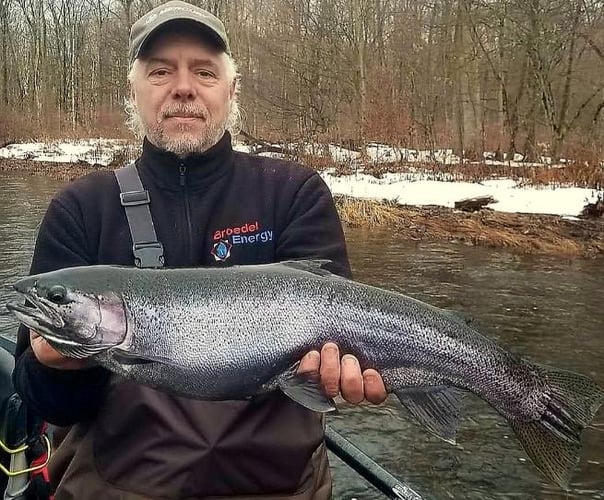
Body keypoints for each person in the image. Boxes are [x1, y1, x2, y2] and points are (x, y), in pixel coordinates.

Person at [12, 2, 387, 498]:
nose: (183, 87)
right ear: (135, 90)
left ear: (231, 90)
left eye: (204, 72)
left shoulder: (292, 191)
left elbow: (333, 372)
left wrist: (339, 378)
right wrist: (57, 365)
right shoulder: (81, 208)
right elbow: (45, 403)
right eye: (161, 71)